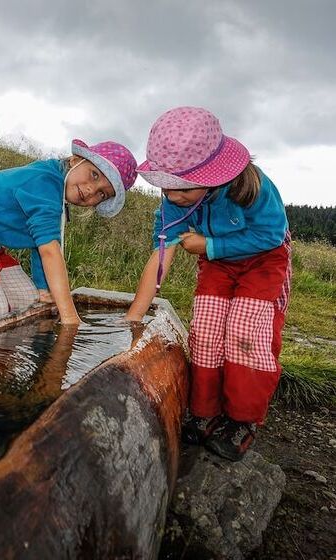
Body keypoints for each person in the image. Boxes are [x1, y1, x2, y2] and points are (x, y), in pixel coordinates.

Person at [125, 106, 291, 461]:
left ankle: (241, 420)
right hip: (218, 266)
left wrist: (210, 246)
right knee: (206, 330)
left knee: (245, 332)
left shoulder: (253, 189)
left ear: (215, 175)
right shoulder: (173, 202)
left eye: (183, 188)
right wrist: (133, 320)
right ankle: (205, 412)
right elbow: (160, 256)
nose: (173, 197)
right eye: (166, 187)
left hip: (263, 262)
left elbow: (271, 236)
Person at [0, 139, 137, 336]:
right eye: (94, 175)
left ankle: (1, 356)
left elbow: (40, 245)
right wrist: (70, 318)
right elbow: (50, 252)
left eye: (102, 194)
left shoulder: (56, 190)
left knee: (26, 299)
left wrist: (44, 291)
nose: (92, 190)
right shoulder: (45, 183)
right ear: (75, 160)